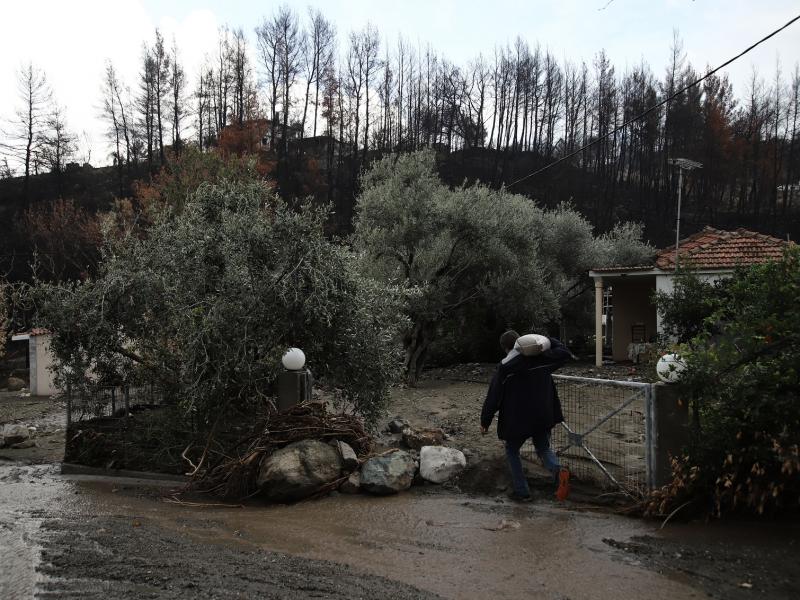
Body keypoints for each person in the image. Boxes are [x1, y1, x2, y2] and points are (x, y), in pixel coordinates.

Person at [480, 330, 572, 502]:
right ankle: (559, 471)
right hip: (543, 415)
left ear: (506, 348)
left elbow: (493, 397)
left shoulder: (505, 367)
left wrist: (485, 421)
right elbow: (565, 352)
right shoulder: (544, 359)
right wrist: (546, 339)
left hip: (517, 420)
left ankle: (523, 493)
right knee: (543, 448)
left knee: (512, 450)